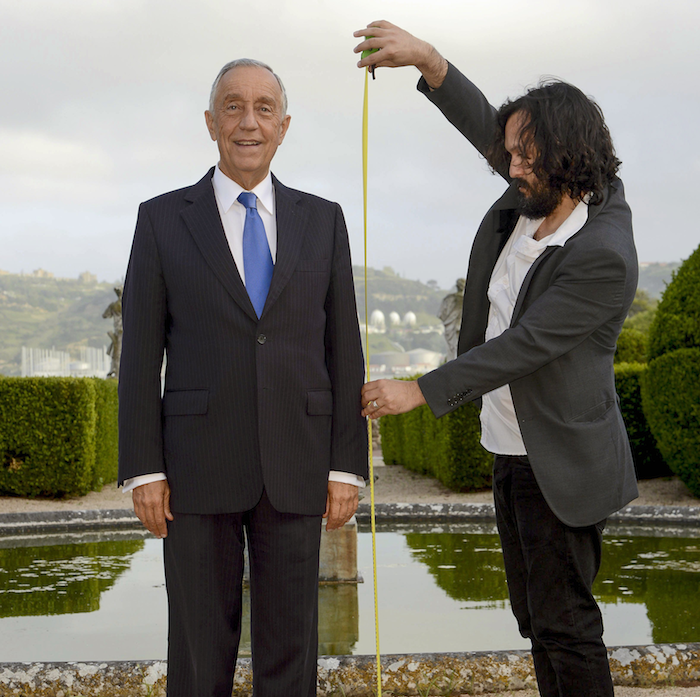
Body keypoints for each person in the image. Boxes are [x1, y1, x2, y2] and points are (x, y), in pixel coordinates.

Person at [354, 21, 638, 697]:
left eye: (524, 157)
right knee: (535, 620)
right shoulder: (538, 191)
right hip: (510, 450)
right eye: (510, 153)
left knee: (566, 626)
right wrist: (427, 60)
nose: (509, 166)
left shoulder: (603, 251)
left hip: (560, 462)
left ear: (567, 157)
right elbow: (489, 125)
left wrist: (421, 390)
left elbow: (526, 344)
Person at [118, 59, 368, 697]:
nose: (247, 121)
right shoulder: (161, 219)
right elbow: (141, 356)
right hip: (196, 469)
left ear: (284, 126)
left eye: (262, 108)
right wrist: (145, 470)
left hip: (298, 465)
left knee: (292, 657)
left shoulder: (325, 219)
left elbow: (345, 350)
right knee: (200, 658)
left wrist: (346, 467)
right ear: (210, 123)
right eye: (232, 107)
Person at [437, 278, 465, 361]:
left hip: (452, 326)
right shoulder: (467, 300)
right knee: (453, 348)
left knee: (453, 348)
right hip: (454, 326)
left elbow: (441, 314)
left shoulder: (449, 299)